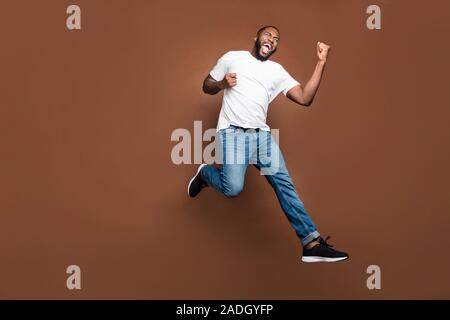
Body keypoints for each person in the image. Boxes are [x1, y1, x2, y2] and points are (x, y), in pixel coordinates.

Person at [187, 26, 348, 263]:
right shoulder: (233, 58)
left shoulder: (276, 71)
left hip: (261, 138)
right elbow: (206, 85)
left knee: (285, 185)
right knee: (233, 188)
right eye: (268, 35)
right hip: (232, 134)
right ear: (256, 38)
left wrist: (321, 63)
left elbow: (305, 98)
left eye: (276, 39)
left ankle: (311, 243)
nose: (271, 40)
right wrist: (222, 84)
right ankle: (205, 174)